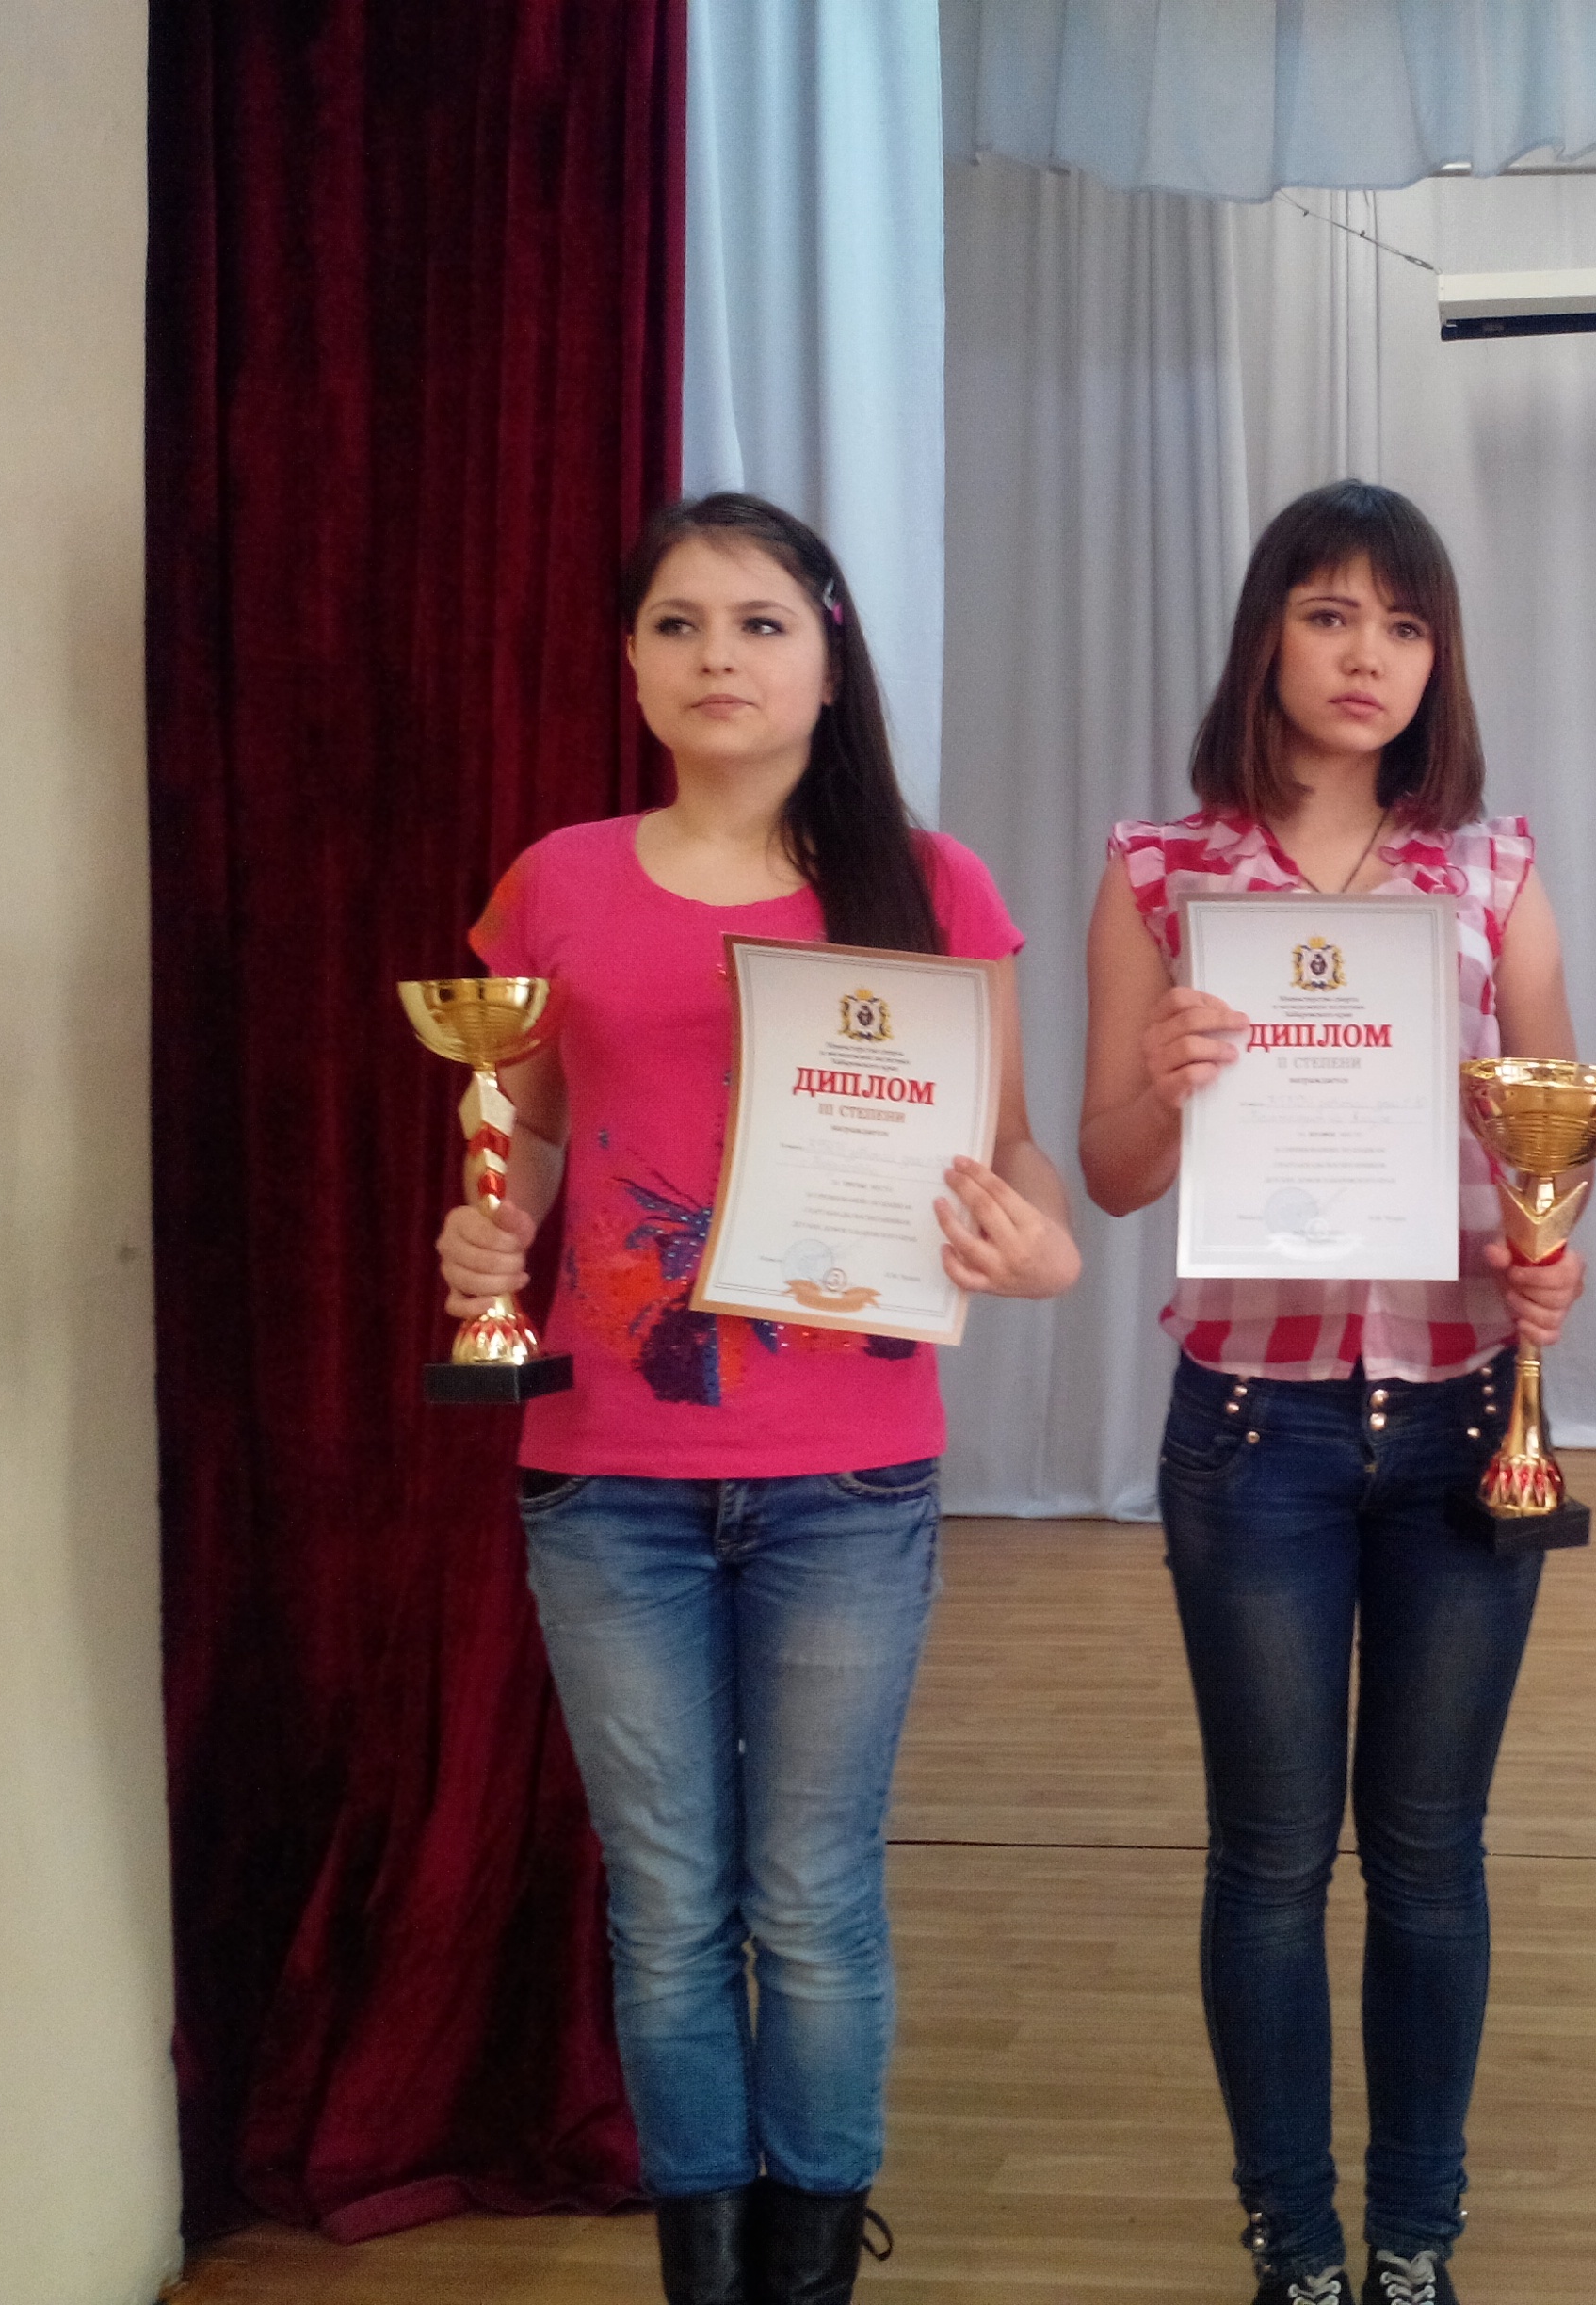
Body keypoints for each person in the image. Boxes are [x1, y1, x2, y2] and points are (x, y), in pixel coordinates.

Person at [436, 492, 1080, 2305]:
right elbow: (525, 1126)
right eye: (678, 624)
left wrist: (1033, 1242)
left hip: (846, 1473)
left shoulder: (929, 883)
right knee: (663, 1907)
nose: (717, 655)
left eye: (759, 622)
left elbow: (1010, 1142)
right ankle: (705, 2273)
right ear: (634, 662)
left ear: (829, 657)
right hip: (605, 1472)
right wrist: (486, 1233)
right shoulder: (558, 880)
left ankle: (808, 2269)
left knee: (809, 1897)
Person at [1079, 481, 1583, 2305]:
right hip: (1253, 1428)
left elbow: (1554, 1137)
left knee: (1433, 1860)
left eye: (1405, 623)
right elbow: (1112, 1172)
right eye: (1329, 613)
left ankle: (1417, 2234)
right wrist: (1161, 1079)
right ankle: (1293, 2239)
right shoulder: (1161, 872)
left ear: (1439, 658)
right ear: (1266, 635)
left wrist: (1545, 1252)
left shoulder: (1491, 869)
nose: (1369, 655)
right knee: (1273, 1859)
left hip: (1459, 1412)